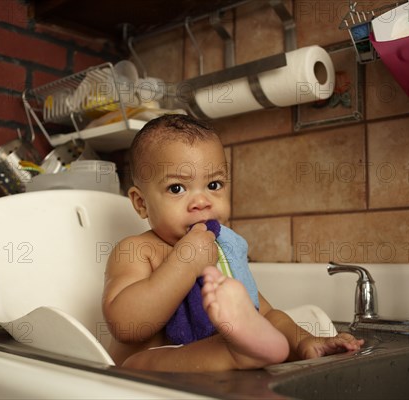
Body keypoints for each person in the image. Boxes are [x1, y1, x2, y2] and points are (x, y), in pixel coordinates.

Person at [102, 114, 363, 372]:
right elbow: (126, 325)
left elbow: (266, 314)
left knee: (255, 328)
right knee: (137, 363)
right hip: (139, 376)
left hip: (207, 372)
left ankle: (251, 348)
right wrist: (185, 263)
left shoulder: (223, 251)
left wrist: (304, 341)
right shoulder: (138, 250)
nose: (202, 201)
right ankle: (240, 352)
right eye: (177, 188)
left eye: (214, 184)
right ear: (141, 203)